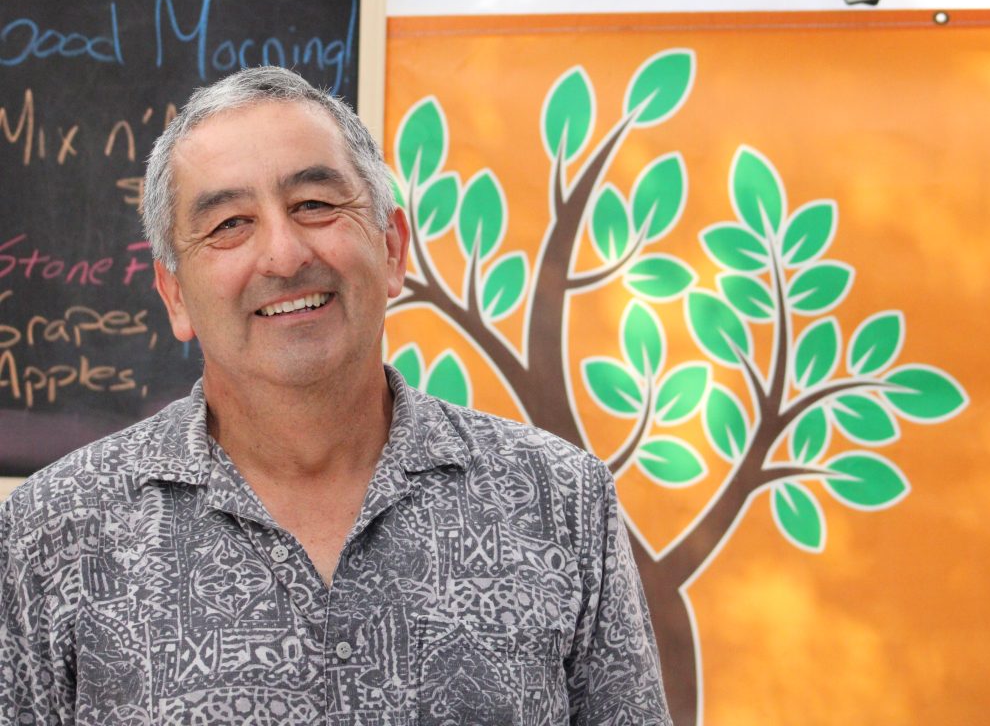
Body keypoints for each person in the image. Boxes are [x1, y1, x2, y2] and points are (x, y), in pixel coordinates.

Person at [0, 66, 671, 725]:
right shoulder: (53, 533)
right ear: (175, 295)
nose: (285, 254)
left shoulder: (563, 502)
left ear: (392, 247)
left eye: (315, 205)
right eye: (230, 222)